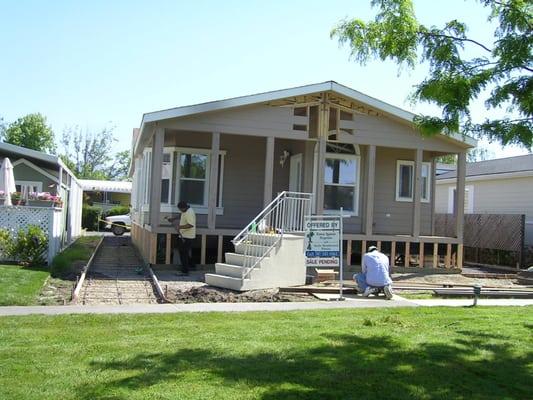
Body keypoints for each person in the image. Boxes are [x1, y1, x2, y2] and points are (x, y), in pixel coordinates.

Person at [167, 201, 196, 274]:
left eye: (180, 209)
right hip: (184, 235)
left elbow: (191, 225)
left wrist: (179, 227)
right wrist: (173, 218)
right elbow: (181, 214)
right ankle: (192, 265)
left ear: (184, 207)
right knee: (183, 252)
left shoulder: (189, 213)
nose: (180, 211)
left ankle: (185, 271)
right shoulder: (186, 210)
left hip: (188, 237)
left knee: (183, 253)